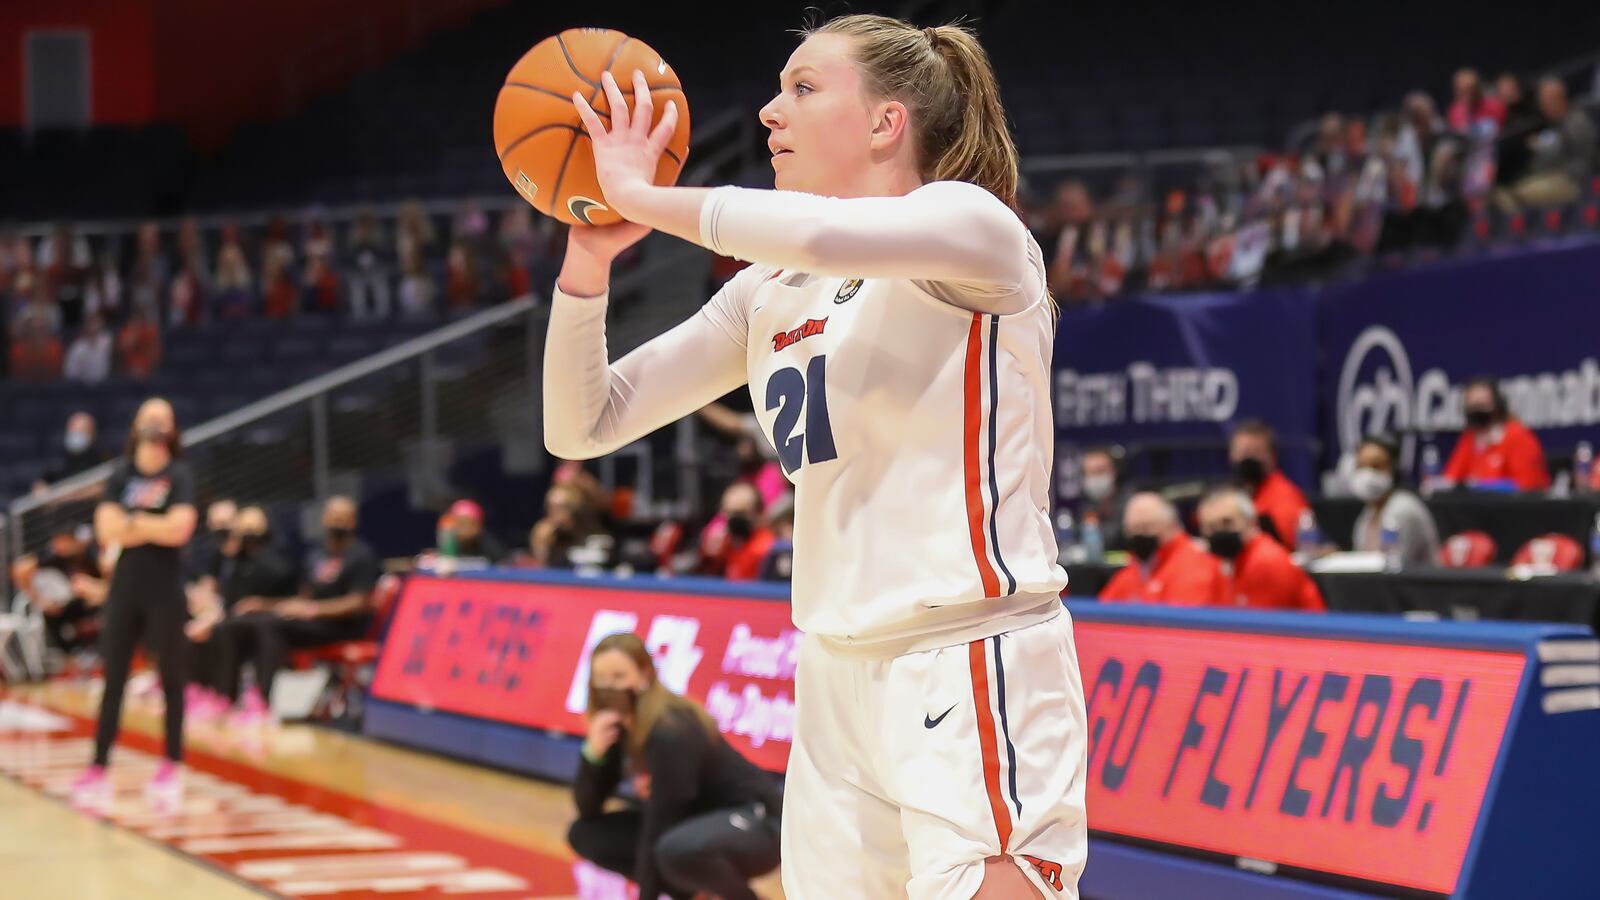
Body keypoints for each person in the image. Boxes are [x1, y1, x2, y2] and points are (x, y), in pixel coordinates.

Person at [544, 14, 1084, 898]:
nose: (767, 112)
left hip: (968, 653)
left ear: (886, 123)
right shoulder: (769, 290)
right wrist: (586, 267)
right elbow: (583, 425)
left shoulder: (974, 227)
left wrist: (642, 197)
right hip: (833, 671)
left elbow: (824, 236)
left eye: (802, 87)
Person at [568, 633, 784, 900]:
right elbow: (587, 807)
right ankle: (694, 893)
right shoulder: (618, 725)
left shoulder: (671, 728)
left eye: (619, 677)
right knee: (585, 833)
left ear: (645, 675)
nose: (608, 686)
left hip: (758, 822)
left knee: (673, 848)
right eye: (601, 677)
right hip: (692, 824)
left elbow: (659, 824)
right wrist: (593, 754)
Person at [73, 398, 198, 801]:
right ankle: (98, 765)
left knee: (172, 680)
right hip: (125, 586)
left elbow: (181, 529)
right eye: (149, 418)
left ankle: (172, 764)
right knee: (114, 679)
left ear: (174, 428)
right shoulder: (120, 474)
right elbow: (105, 530)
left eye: (164, 419)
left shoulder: (180, 474)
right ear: (136, 425)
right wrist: (152, 525)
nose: (156, 425)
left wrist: (133, 522)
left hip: (165, 586)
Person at [211, 496, 378, 719]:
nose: (338, 522)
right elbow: (303, 598)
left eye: (344, 518)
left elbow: (359, 602)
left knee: (269, 627)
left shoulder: (362, 555)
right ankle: (226, 699)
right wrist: (265, 604)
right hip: (311, 622)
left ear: (353, 522)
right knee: (235, 624)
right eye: (334, 516)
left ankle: (259, 704)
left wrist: (314, 610)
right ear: (325, 518)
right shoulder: (316, 554)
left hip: (341, 626)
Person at [1196, 488, 1324, 611]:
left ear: (1251, 522)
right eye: (1211, 527)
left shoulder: (1267, 561)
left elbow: (1259, 626)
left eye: (1227, 523)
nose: (1219, 532)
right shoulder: (1224, 562)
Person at [1099, 492, 1218, 605]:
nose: (1139, 534)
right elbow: (1101, 611)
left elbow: (1183, 620)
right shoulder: (1134, 568)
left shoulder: (1195, 565)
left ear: (1172, 526)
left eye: (1146, 527)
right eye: (1133, 529)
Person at [1442, 377, 1550, 491]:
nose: (1476, 411)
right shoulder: (1469, 438)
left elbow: (1527, 485)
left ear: (1497, 406)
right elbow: (1451, 479)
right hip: (1478, 507)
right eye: (1471, 406)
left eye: (1481, 405)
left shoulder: (1518, 436)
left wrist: (1481, 487)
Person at [1349, 436, 1440, 568]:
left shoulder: (1403, 508)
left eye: (1376, 466)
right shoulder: (1368, 513)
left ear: (1393, 469)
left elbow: (1395, 566)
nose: (1367, 474)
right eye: (1361, 466)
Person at [1230, 419, 1310, 549]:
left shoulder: (1285, 495)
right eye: (1243, 452)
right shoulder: (1229, 494)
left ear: (1272, 457)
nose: (1249, 459)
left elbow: (1291, 545)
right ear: (1232, 455)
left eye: (1256, 453)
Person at [1078, 446, 1129, 551]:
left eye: (1100, 471)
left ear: (1114, 471)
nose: (1095, 478)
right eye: (1089, 473)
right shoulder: (1088, 506)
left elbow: (1119, 538)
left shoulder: (1130, 502)